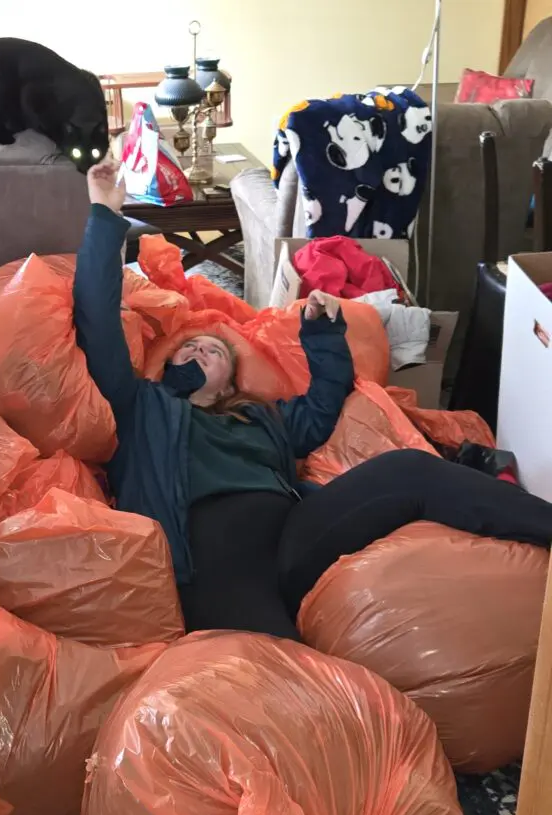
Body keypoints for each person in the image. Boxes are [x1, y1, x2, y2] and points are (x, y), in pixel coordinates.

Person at [73, 159, 552, 642]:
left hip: (293, 530)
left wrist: (321, 332)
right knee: (279, 667)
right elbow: (99, 325)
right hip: (210, 550)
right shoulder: (141, 407)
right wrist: (104, 217)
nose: (198, 348)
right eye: (188, 348)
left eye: (212, 349)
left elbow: (323, 407)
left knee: (409, 468)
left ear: (229, 381)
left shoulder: (257, 416)